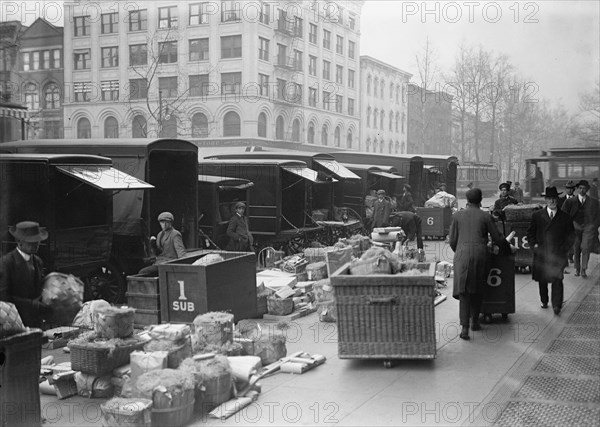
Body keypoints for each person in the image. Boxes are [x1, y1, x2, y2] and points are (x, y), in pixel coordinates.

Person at [449, 188, 511, 340]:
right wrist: (507, 249)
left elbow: (452, 241)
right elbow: (497, 237)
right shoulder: (485, 216)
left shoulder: (457, 216)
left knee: (464, 291)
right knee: (476, 289)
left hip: (462, 255)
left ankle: (464, 328)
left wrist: (461, 250)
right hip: (480, 255)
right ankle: (475, 322)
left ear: (467, 200)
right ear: (481, 200)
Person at [527, 187, 574, 315]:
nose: (552, 201)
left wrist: (564, 249)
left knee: (557, 280)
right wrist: (534, 246)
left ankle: (557, 305)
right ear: (545, 200)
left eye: (554, 199)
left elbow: (571, 236)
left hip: (558, 254)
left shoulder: (565, 218)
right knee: (542, 280)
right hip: (542, 254)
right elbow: (530, 233)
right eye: (549, 199)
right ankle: (544, 300)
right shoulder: (537, 216)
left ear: (557, 200)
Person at [0, 221, 51, 328]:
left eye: (37, 241)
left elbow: (39, 288)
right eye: (31, 242)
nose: (36, 245)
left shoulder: (37, 261)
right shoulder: (7, 263)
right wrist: (32, 305)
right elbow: (3, 298)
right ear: (19, 242)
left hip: (36, 321)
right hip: (15, 322)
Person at [561, 180, 600, 278]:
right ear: (577, 189)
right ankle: (577, 268)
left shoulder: (594, 202)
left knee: (585, 247)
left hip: (588, 227)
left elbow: (598, 215)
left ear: (587, 189)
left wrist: (594, 226)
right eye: (580, 188)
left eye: (584, 188)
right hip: (575, 227)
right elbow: (563, 215)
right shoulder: (570, 202)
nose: (582, 190)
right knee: (576, 247)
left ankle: (583, 269)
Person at [138, 212, 186, 276]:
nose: (164, 224)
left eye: (167, 222)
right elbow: (158, 252)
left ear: (171, 223)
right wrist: (153, 245)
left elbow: (181, 252)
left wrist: (183, 268)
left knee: (143, 272)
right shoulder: (160, 234)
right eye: (162, 222)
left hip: (169, 263)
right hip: (159, 262)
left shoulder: (175, 234)